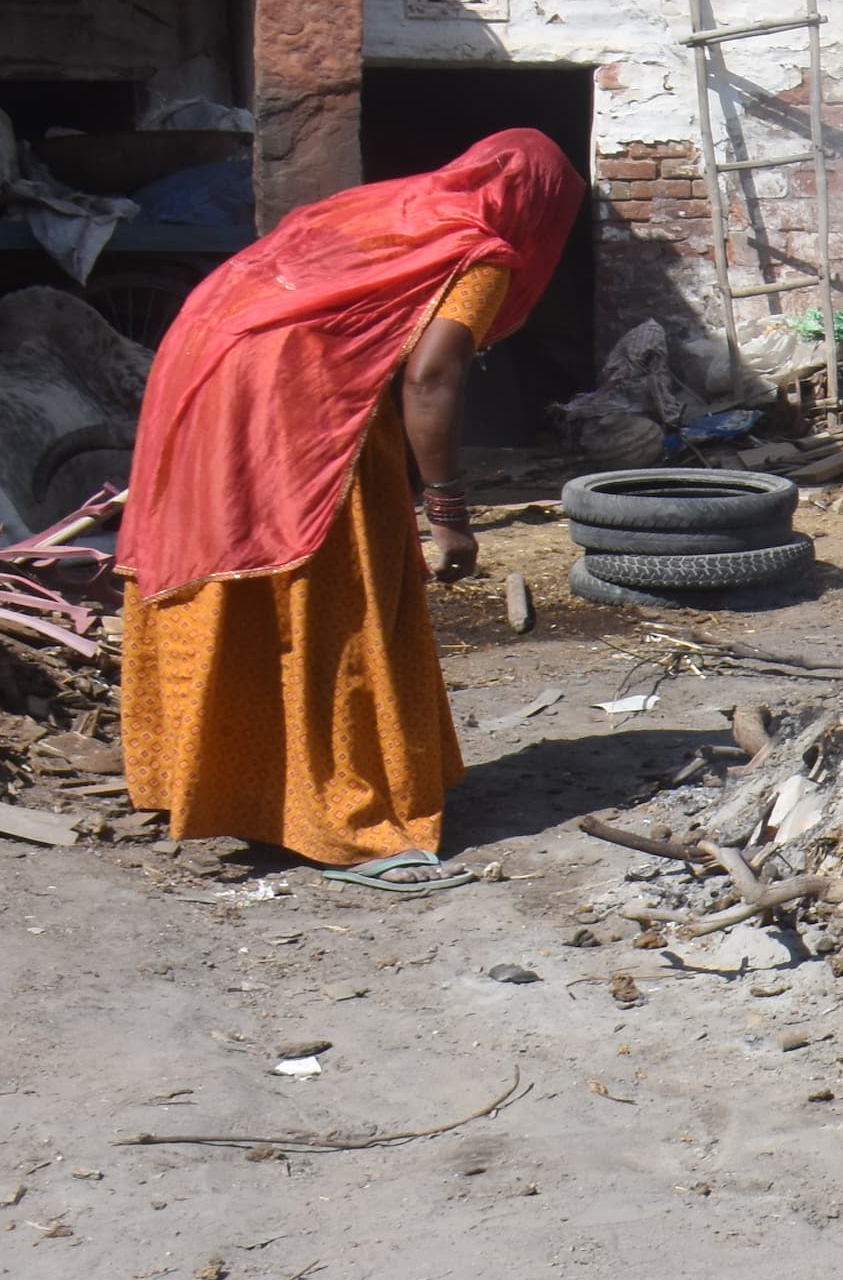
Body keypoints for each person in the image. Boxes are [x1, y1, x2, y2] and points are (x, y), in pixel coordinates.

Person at [120, 130, 583, 884]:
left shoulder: (389, 209)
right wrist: (449, 513)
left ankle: (212, 780)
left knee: (235, 567)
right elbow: (432, 380)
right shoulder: (480, 250)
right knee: (332, 591)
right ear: (541, 210)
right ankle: (339, 816)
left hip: (202, 366)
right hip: (295, 405)